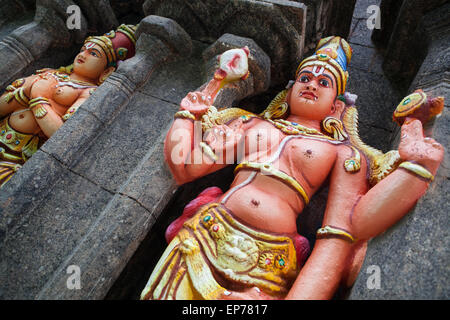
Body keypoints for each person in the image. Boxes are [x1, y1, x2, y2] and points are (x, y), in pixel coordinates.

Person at [140, 36, 444, 300]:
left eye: (324, 83)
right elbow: (186, 167)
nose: (312, 85)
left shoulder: (344, 154)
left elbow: (347, 229)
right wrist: (189, 114)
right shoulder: (248, 124)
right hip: (200, 240)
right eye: (305, 78)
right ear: (289, 91)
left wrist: (415, 166)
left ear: (336, 106)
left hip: (267, 265)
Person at [0, 24, 136, 187]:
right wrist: (23, 94)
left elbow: (64, 136)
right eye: (84, 49)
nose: (84, 55)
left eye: (93, 54)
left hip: (15, 158)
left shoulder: (89, 93)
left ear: (106, 71)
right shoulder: (50, 72)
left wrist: (38, 99)